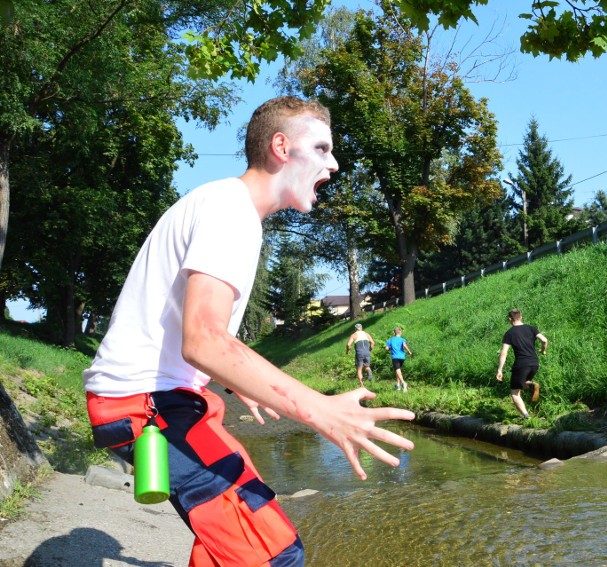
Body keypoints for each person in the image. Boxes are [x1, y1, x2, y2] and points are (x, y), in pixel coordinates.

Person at [82, 96, 415, 566]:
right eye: (321, 148)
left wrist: (239, 379)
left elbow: (193, 332)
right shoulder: (231, 211)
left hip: (156, 402)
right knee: (273, 554)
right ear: (281, 147)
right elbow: (202, 339)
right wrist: (320, 411)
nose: (333, 164)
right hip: (146, 406)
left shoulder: (223, 204)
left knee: (234, 546)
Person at [497, 309, 548, 419]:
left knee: (515, 392)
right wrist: (543, 350)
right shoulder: (531, 328)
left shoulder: (509, 333)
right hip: (534, 363)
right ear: (521, 316)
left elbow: (504, 352)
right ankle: (532, 385)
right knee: (524, 382)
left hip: (521, 364)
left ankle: (526, 416)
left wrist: (500, 369)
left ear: (510, 319)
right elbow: (544, 340)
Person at [385, 327, 413, 392]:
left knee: (397, 370)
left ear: (394, 333)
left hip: (395, 357)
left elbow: (386, 348)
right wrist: (409, 351)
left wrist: (390, 348)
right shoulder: (402, 339)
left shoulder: (391, 340)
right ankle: (398, 386)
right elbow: (404, 345)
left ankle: (403, 383)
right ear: (400, 332)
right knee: (398, 370)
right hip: (402, 357)